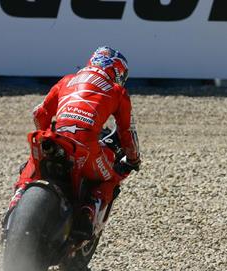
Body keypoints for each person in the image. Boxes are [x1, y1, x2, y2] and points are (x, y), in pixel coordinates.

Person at [9, 46, 141, 239]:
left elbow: (39, 113)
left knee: (31, 167)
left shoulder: (67, 80)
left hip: (53, 138)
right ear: (117, 72)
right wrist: (133, 159)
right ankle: (86, 216)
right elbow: (126, 131)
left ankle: (15, 204)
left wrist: (47, 130)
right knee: (109, 178)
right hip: (86, 147)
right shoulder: (117, 91)